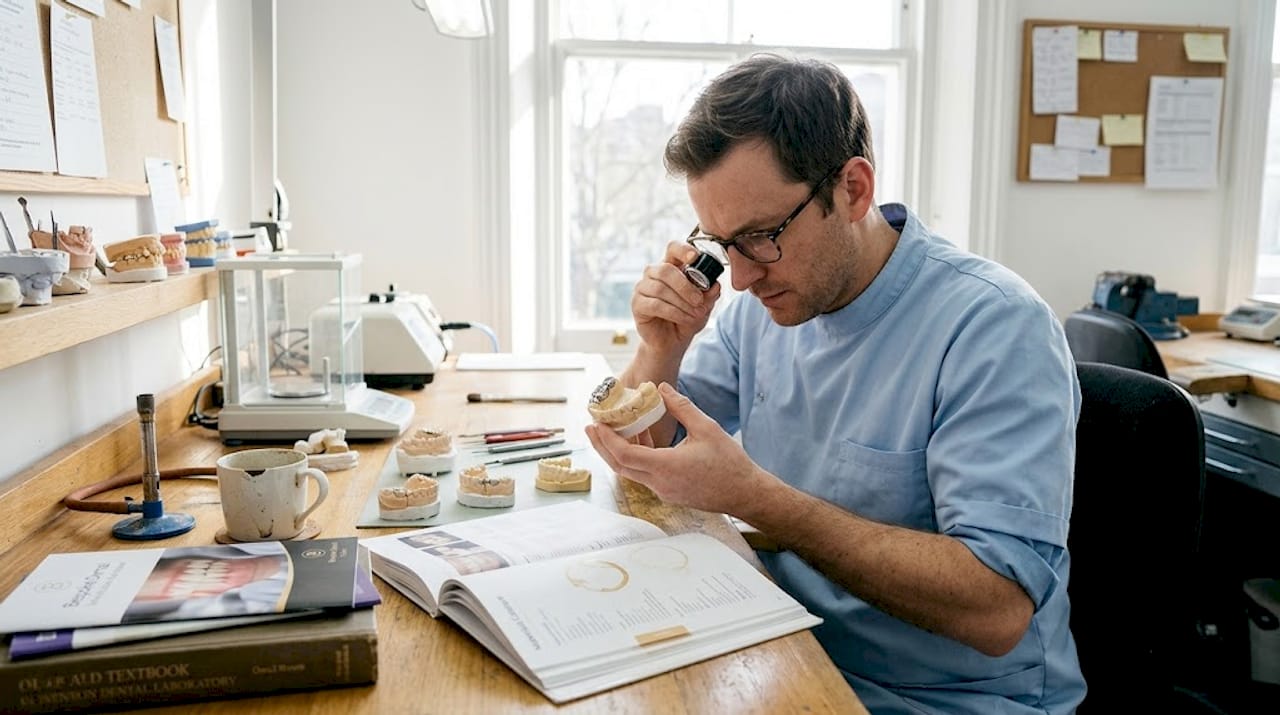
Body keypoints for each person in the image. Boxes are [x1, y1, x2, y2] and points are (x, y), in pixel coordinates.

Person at [584, 53, 1086, 714]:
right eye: (721, 242)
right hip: (787, 658)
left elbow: (997, 609)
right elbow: (648, 457)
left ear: (853, 188)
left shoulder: (994, 328)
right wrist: (663, 347)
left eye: (762, 236)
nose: (739, 277)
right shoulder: (767, 308)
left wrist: (760, 498)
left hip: (944, 701)